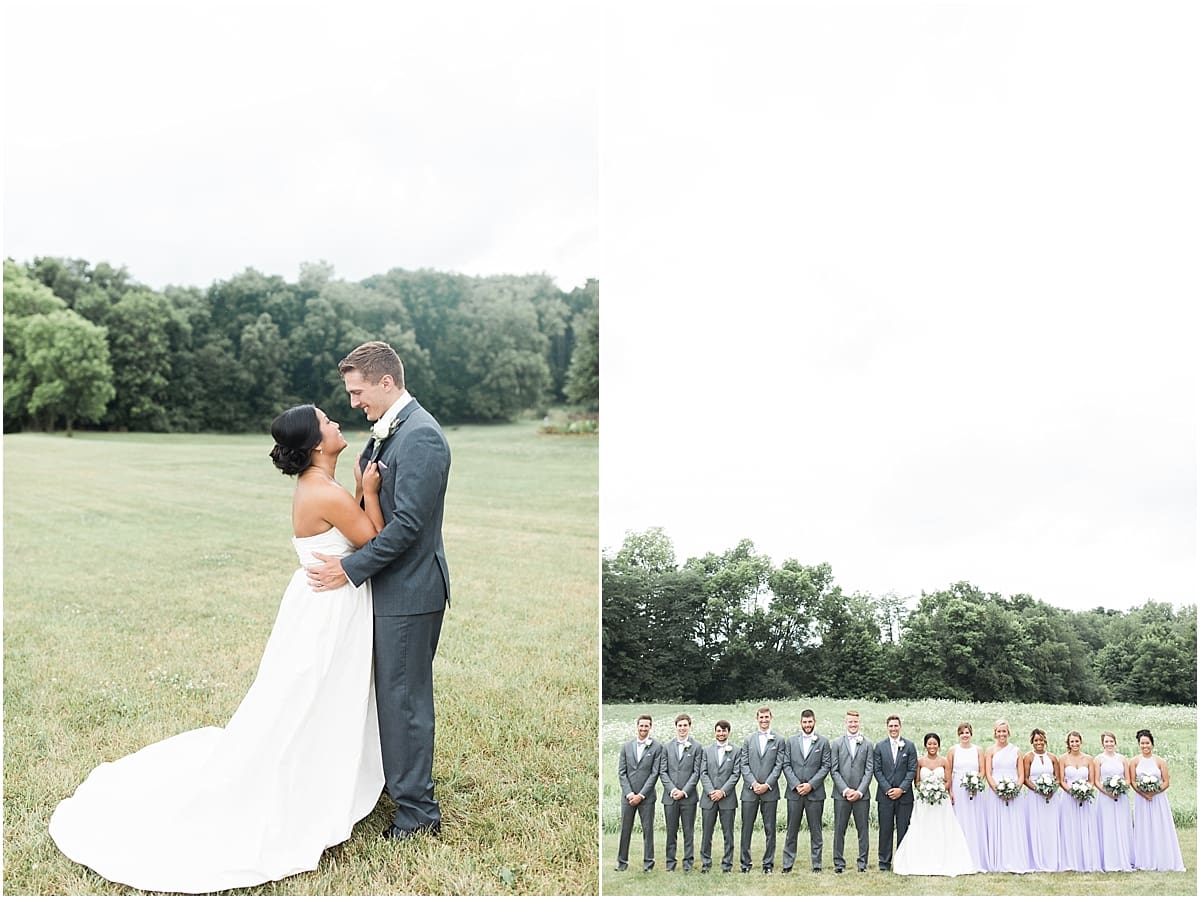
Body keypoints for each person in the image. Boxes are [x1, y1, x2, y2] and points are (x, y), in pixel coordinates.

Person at [50, 405, 387, 892]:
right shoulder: (324, 492)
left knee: (313, 694)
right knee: (313, 695)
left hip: (323, 605)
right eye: (327, 420)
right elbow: (373, 541)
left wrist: (357, 491)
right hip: (329, 612)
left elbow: (350, 533)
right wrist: (370, 493)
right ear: (317, 443)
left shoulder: (324, 489)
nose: (336, 422)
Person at [305, 341, 451, 841]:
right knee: (388, 695)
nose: (352, 403)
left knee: (404, 700)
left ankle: (417, 815)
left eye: (358, 391)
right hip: (390, 588)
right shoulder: (393, 432)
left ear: (386, 382)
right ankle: (395, 784)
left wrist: (349, 569)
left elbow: (409, 525)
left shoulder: (422, 438)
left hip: (410, 590)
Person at [892, 733, 978, 876]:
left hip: (941, 801)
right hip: (924, 801)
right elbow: (917, 782)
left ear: (938, 745)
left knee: (941, 827)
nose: (932, 746)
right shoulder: (920, 762)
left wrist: (939, 789)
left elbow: (948, 781)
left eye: (935, 743)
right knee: (923, 827)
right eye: (929, 744)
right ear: (925, 745)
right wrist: (926, 789)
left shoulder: (944, 761)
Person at [781, 708, 831, 874]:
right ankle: (787, 864)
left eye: (810, 722)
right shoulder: (791, 741)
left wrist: (810, 784)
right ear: (800, 722)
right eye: (805, 722)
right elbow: (786, 764)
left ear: (814, 722)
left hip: (815, 794)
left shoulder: (823, 742)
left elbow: (826, 766)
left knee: (816, 830)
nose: (807, 725)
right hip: (794, 793)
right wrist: (796, 784)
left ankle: (817, 865)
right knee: (791, 830)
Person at [1127, 728, 1184, 871]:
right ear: (1139, 744)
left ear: (1152, 744)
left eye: (1147, 743)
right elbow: (1133, 781)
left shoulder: (1160, 761)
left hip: (1158, 799)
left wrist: (1154, 792)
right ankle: (1145, 859)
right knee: (1143, 827)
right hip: (1141, 799)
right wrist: (1144, 793)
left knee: (1160, 826)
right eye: (1142, 743)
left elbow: (1166, 781)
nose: (1145, 746)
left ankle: (1162, 857)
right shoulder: (1134, 761)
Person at [738, 706, 784, 873]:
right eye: (761, 717)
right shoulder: (748, 739)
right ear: (756, 718)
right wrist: (753, 783)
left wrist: (767, 784)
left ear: (771, 717)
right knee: (747, 828)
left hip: (770, 791)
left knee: (770, 829)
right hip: (750, 792)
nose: (764, 720)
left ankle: (768, 864)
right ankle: (745, 863)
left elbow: (779, 765)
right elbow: (743, 764)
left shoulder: (778, 740)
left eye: (766, 717)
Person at [615, 715, 664, 872]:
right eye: (641, 726)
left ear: (651, 727)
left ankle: (648, 863)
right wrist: (629, 794)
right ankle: (622, 862)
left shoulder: (657, 747)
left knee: (648, 830)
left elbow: (654, 774)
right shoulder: (626, 746)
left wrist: (641, 795)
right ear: (637, 726)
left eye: (646, 726)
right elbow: (622, 773)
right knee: (625, 829)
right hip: (628, 797)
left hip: (646, 797)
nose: (643, 729)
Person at [982, 718, 1030, 872]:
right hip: (995, 792)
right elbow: (988, 773)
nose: (1002, 734)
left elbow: (1021, 774)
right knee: (997, 823)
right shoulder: (990, 751)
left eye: (1004, 731)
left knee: (1013, 824)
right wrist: (998, 790)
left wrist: (1014, 789)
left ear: (1008, 733)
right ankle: (998, 859)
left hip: (1014, 792)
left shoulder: (1016, 751)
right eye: (999, 731)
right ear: (995, 733)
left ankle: (1015, 859)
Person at [830, 709, 874, 874]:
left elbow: (869, 770)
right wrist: (846, 790)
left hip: (862, 796)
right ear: (845, 723)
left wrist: (860, 791)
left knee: (863, 830)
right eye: (850, 722)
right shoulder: (836, 743)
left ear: (859, 722)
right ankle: (839, 863)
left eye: (855, 722)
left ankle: (862, 863)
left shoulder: (868, 744)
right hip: (841, 795)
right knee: (839, 829)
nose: (853, 724)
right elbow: (834, 770)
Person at [872, 713, 916, 872]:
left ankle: (902, 861)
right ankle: (884, 862)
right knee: (885, 829)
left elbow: (912, 770)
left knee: (903, 829)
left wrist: (901, 789)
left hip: (904, 796)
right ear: (887, 727)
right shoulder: (879, 746)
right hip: (885, 796)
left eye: (896, 725)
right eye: (890, 726)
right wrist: (888, 789)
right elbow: (877, 770)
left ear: (900, 726)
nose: (893, 728)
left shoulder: (909, 746)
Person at [660, 714, 702, 871]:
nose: (682, 728)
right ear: (676, 727)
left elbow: (696, 773)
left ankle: (688, 863)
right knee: (671, 832)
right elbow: (663, 772)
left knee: (688, 831)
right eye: (680, 725)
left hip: (688, 797)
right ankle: (670, 863)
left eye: (685, 725)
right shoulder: (666, 747)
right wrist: (673, 790)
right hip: (670, 797)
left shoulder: (697, 747)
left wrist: (684, 791)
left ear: (689, 727)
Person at [699, 720, 740, 873]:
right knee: (706, 833)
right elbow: (702, 773)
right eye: (718, 731)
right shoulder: (706, 750)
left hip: (727, 799)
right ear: (715, 732)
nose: (721, 734)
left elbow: (736, 774)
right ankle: (706, 863)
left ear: (728, 732)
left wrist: (722, 792)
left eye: (724, 731)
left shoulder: (736, 750)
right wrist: (711, 791)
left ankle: (727, 864)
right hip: (708, 799)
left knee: (728, 833)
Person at [946, 721, 987, 871]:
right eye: (962, 733)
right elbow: (948, 773)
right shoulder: (952, 750)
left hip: (975, 790)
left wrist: (975, 783)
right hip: (958, 788)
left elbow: (982, 770)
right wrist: (950, 791)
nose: (965, 735)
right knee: (960, 820)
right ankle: (959, 856)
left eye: (967, 732)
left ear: (971, 734)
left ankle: (976, 857)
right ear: (959, 735)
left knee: (975, 820)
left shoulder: (978, 750)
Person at [1057, 730, 1100, 871]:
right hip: (1068, 798)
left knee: (1085, 827)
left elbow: (1092, 780)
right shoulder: (1063, 759)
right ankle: (1071, 861)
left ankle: (1087, 861)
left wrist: (1085, 791)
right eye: (1072, 741)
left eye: (1077, 741)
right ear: (1068, 743)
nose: (1075, 744)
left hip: (1085, 798)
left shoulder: (1088, 759)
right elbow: (1061, 780)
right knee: (1070, 827)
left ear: (1081, 742)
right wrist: (1071, 792)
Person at [1022, 727, 1063, 872]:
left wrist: (1051, 789)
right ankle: (1036, 859)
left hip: (1051, 798)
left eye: (1041, 740)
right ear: (1032, 742)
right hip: (1034, 797)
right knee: (1036, 825)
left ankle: (1052, 858)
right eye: (1036, 740)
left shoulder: (1052, 758)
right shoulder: (1028, 757)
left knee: (1050, 825)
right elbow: (1025, 778)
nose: (1039, 743)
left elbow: (1058, 778)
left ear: (1045, 740)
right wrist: (1038, 790)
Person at [1092, 731, 1133, 872]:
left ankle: (1124, 858)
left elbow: (1128, 779)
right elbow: (1096, 781)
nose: (1109, 744)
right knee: (1107, 825)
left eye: (1111, 741)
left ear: (1115, 742)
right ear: (1102, 743)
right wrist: (1108, 792)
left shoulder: (1122, 759)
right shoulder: (1098, 759)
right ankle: (1108, 860)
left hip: (1121, 797)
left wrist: (1121, 789)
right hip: (1105, 798)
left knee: (1121, 825)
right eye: (1106, 741)